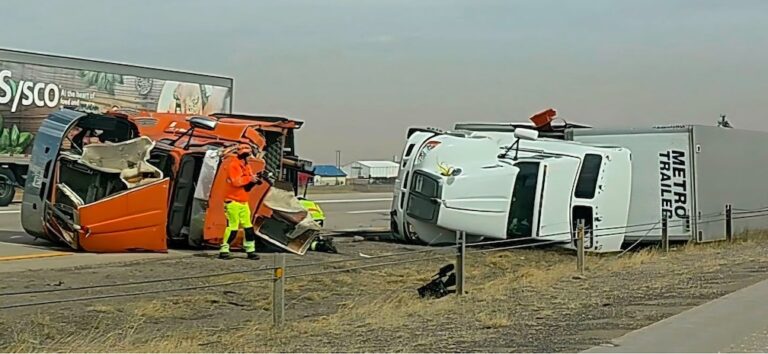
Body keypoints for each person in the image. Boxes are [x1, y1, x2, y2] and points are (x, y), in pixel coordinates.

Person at [219, 143, 261, 260]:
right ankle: (224, 250)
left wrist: (254, 180)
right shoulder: (234, 165)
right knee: (232, 227)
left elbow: (247, 179)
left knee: (248, 227)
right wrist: (250, 179)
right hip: (232, 201)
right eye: (248, 155)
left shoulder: (246, 165)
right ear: (244, 155)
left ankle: (250, 250)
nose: (250, 157)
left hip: (243, 201)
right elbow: (236, 182)